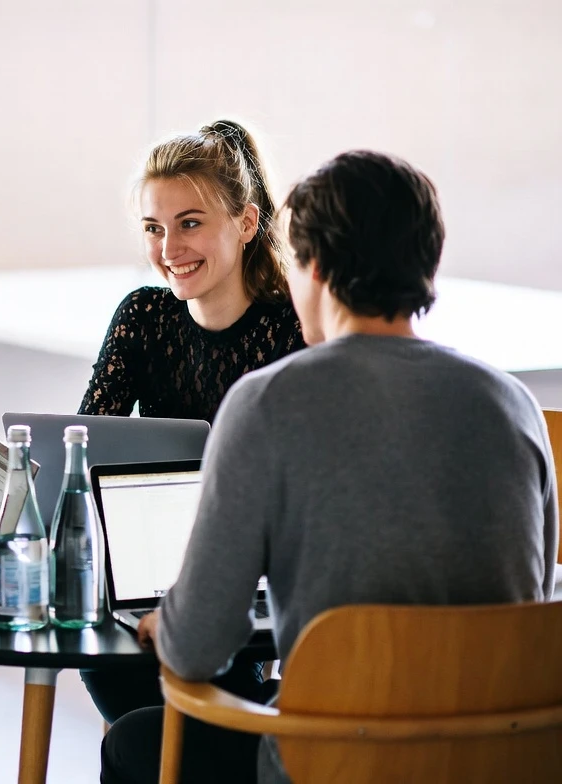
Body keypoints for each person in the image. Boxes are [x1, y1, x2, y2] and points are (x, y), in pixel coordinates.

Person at [101, 150, 557, 784]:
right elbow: (532, 598)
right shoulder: (514, 406)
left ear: (313, 267)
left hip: (330, 757)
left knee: (132, 742)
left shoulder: (267, 404)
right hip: (496, 758)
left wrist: (165, 626)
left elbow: (199, 646)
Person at [79, 120, 304, 731]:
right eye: (154, 228)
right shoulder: (142, 317)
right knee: (105, 667)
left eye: (190, 223)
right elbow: (83, 450)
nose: (169, 249)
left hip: (255, 586)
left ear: (247, 224)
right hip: (154, 573)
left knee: (154, 732)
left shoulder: (291, 328)